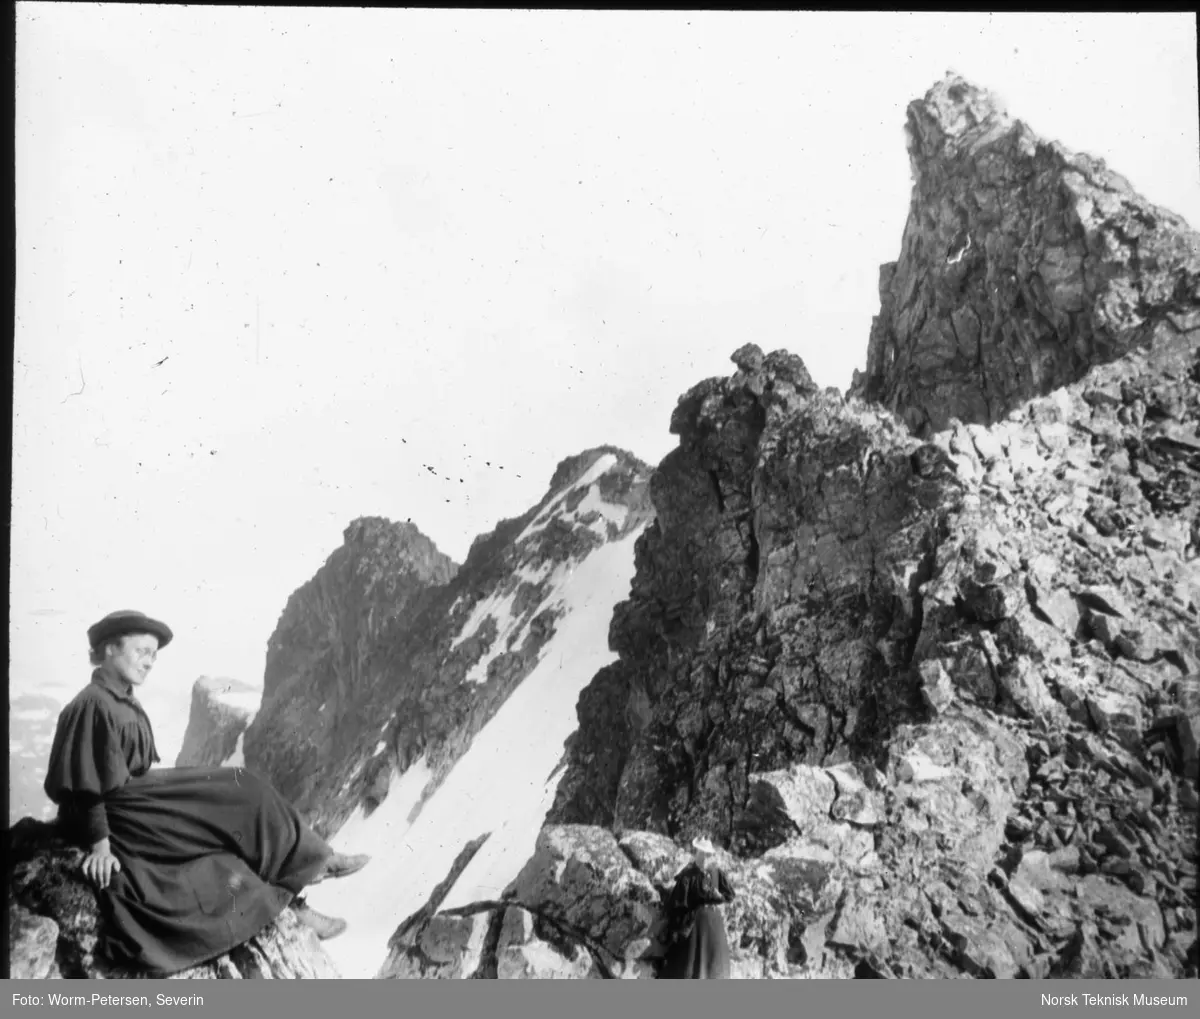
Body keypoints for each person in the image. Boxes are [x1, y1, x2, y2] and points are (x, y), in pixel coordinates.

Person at [42, 609, 371, 976]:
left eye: (153, 654)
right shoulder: (92, 704)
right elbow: (86, 787)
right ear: (108, 651)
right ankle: (307, 873)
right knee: (240, 793)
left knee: (240, 796)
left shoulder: (120, 699)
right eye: (141, 651)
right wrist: (101, 847)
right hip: (117, 815)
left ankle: (301, 885)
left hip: (132, 805)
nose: (149, 661)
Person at [659, 835, 736, 979]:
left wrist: (716, 898)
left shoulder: (712, 873)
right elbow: (679, 901)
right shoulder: (689, 875)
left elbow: (677, 903)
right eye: (702, 853)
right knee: (699, 961)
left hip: (706, 924)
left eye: (706, 854)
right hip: (702, 923)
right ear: (697, 853)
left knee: (706, 961)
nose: (704, 856)